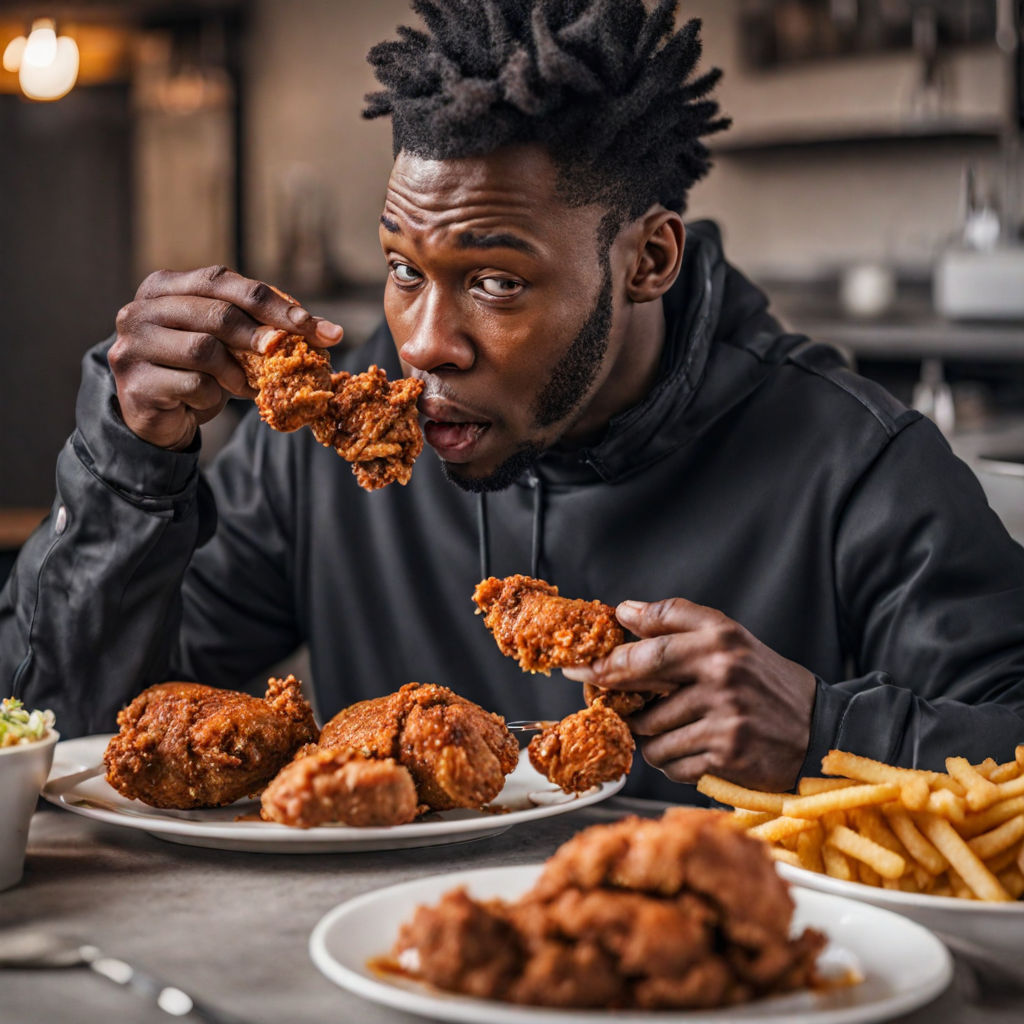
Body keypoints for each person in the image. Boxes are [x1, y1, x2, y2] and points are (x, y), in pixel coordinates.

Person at [2, 0, 1022, 802]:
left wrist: (824, 729)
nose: (422, 343)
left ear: (649, 257)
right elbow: (63, 739)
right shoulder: (319, 456)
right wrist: (128, 465)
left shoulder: (861, 464)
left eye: (495, 281)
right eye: (403, 268)